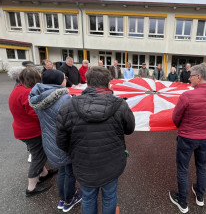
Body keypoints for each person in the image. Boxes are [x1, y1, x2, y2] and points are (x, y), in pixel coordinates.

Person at [56, 66, 135, 214]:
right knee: (110, 196)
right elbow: (130, 129)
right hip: (112, 163)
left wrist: (75, 152)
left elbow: (61, 140)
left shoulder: (68, 105)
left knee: (88, 197)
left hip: (83, 163)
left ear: (88, 83)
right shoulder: (120, 105)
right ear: (108, 84)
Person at [169, 63, 206, 213]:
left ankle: (182, 202)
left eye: (191, 76)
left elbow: (175, 118)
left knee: (183, 169)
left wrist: (185, 126)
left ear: (199, 77)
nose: (189, 79)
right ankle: (200, 197)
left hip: (187, 137)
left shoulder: (187, 96)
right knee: (201, 167)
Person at [29, 69, 82, 211]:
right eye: (64, 78)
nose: (66, 79)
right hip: (64, 142)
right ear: (58, 81)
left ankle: (63, 199)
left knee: (63, 170)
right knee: (69, 171)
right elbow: (72, 124)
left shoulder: (37, 97)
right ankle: (69, 199)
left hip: (50, 141)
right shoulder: (64, 99)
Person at [8, 66, 57, 197]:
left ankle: (44, 174)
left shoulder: (18, 89)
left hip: (22, 129)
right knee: (38, 156)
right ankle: (31, 188)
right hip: (30, 131)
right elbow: (34, 113)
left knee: (38, 153)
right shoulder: (26, 92)